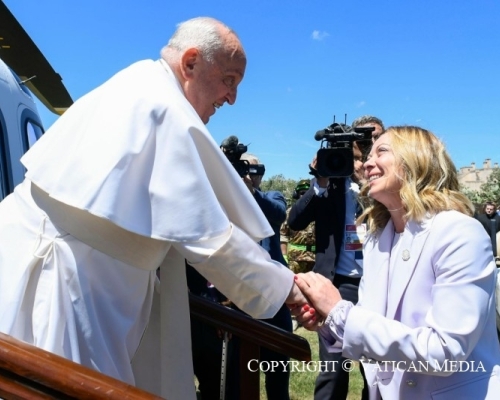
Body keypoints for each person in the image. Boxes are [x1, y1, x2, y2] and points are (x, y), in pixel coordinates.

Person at [0, 17, 309, 400]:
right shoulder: (159, 105)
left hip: (93, 284)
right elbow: (208, 237)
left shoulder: (144, 87)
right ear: (191, 62)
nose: (232, 98)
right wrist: (288, 289)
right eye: (229, 79)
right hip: (66, 285)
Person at [293, 126, 500, 399]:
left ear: (417, 160)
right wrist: (328, 321)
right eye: (368, 155)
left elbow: (444, 350)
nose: (366, 162)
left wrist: (340, 312)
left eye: (381, 151)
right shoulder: (378, 240)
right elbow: (376, 327)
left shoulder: (460, 232)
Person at [288, 125, 370, 400]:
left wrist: (367, 184)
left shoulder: (378, 188)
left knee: (379, 367)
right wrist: (320, 180)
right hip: (339, 284)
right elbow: (295, 221)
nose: (353, 164)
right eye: (350, 157)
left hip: (376, 282)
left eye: (359, 157)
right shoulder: (329, 188)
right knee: (334, 368)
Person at [225, 152, 293, 400]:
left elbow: (278, 213)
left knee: (278, 364)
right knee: (237, 369)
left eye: (255, 170)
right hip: (238, 293)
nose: (250, 175)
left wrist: (249, 193)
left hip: (274, 291)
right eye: (244, 169)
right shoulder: (226, 202)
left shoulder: (271, 196)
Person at [280, 179, 316, 274]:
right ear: (297, 195)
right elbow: (283, 236)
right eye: (302, 193)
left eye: (307, 193)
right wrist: (284, 256)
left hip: (315, 259)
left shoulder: (319, 212)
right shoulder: (290, 213)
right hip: (295, 260)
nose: (304, 196)